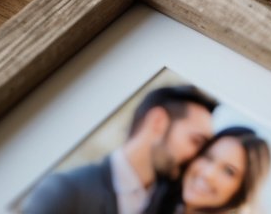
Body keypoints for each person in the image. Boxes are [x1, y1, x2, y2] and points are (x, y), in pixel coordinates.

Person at [22, 84, 217, 214]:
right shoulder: (65, 191)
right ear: (157, 122)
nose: (198, 158)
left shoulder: (171, 200)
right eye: (196, 141)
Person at [157, 127, 271, 213]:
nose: (208, 174)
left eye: (228, 171)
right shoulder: (160, 197)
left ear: (242, 189)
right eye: (208, 157)